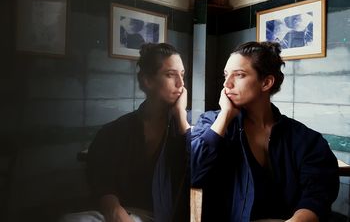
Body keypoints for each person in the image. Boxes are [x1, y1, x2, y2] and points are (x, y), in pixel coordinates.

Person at [191, 41, 339, 222]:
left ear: (266, 82)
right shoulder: (212, 124)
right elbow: (189, 173)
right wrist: (225, 116)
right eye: (226, 75)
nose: (226, 84)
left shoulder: (306, 140)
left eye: (239, 75)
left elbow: (318, 194)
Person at [61, 43, 190, 222]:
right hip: (126, 212)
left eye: (182, 75)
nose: (181, 84)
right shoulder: (115, 131)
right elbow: (102, 182)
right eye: (170, 75)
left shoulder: (187, 129)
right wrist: (114, 210)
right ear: (147, 80)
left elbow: (198, 170)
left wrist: (181, 116)